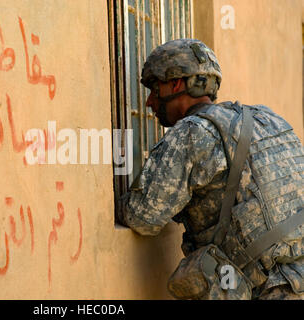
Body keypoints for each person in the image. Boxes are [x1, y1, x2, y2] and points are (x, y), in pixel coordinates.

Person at [118, 39, 303, 300]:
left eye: (153, 88)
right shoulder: (269, 119)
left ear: (175, 84)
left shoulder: (192, 133)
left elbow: (143, 216)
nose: (149, 102)